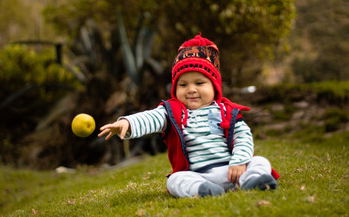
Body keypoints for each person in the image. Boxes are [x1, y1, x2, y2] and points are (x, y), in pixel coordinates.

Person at [98, 34, 279, 198]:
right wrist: (127, 123)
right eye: (183, 85)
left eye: (199, 83)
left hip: (231, 171)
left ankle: (253, 181)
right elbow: (151, 118)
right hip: (198, 175)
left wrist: (239, 162)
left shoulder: (226, 111)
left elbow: (243, 136)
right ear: (175, 89)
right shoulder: (173, 112)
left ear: (214, 86)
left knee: (258, 161)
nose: (191, 90)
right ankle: (202, 190)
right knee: (175, 180)